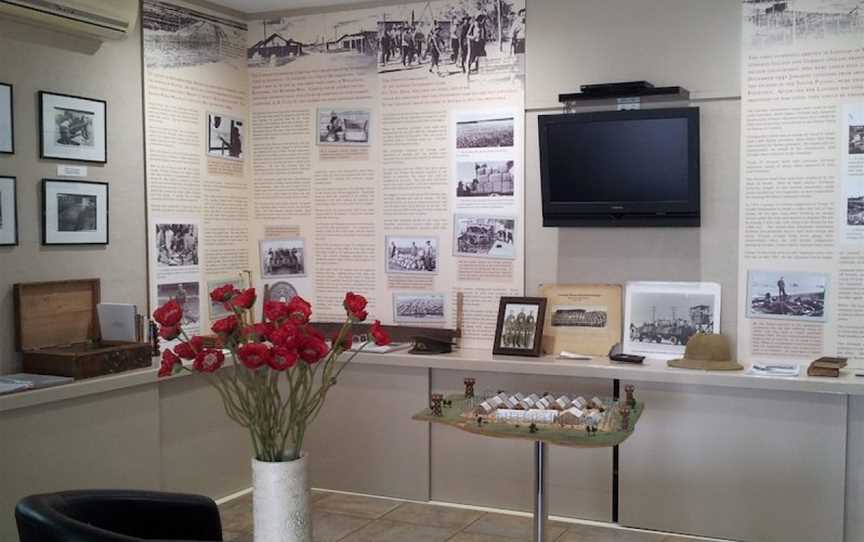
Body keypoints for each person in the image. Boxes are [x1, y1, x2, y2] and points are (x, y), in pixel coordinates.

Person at [466, 14, 487, 80]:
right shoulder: (474, 24)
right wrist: (473, 37)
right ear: (480, 19)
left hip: (481, 44)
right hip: (474, 44)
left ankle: (480, 72)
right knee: (471, 58)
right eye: (484, 19)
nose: (485, 21)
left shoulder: (482, 25)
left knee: (482, 57)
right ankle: (468, 72)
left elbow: (483, 34)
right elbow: (467, 35)